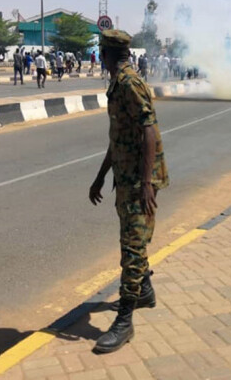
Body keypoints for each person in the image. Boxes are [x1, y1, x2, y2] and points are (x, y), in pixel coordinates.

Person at [89, 30, 169, 354]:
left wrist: (146, 183)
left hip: (138, 180)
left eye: (100, 52)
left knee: (132, 248)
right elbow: (119, 138)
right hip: (125, 177)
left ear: (107, 54)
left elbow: (148, 130)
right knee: (132, 239)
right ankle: (145, 289)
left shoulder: (128, 83)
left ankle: (125, 321)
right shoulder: (118, 82)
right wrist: (100, 177)